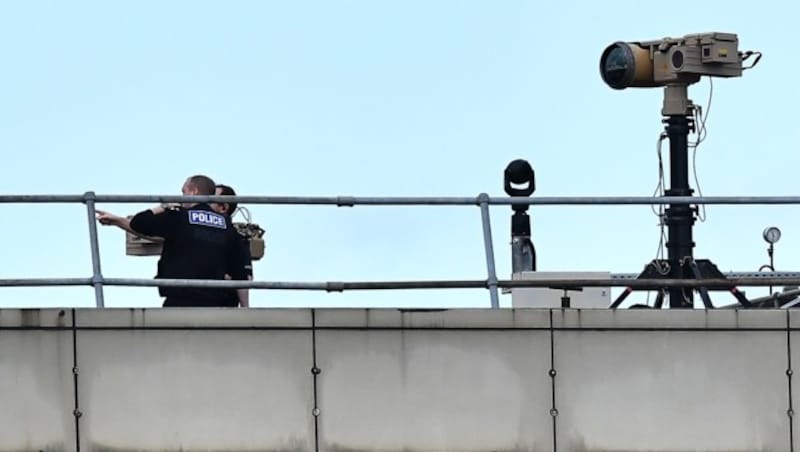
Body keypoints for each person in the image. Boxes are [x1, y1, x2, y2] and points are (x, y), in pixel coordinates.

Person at [97, 175, 248, 307]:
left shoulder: (179, 217)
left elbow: (139, 223)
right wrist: (246, 309)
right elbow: (240, 273)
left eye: (183, 192)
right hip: (216, 302)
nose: (181, 197)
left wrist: (164, 206)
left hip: (181, 299)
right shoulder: (228, 227)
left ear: (194, 192)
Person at [212, 183, 252, 308]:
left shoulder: (236, 239)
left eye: (210, 199)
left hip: (223, 306)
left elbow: (243, 279)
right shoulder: (190, 231)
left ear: (223, 207)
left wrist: (246, 310)